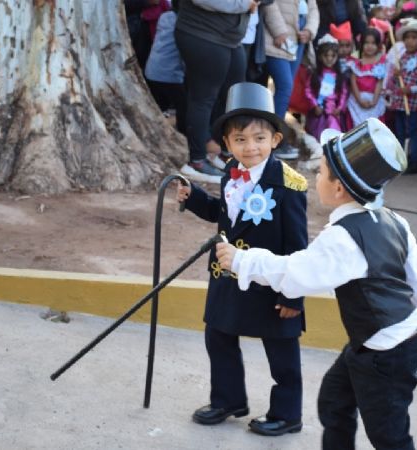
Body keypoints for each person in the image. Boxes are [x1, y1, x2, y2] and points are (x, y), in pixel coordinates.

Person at [214, 117, 417, 450]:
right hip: (383, 341)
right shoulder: (391, 220)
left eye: (320, 172)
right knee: (334, 402)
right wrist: (416, 319)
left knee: (389, 435)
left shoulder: (343, 239)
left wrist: (242, 260)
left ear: (338, 189)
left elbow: (296, 273)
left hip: (384, 351)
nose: (314, 177)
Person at [175, 82, 309, 436]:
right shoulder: (230, 174)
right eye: (240, 139)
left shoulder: (288, 185)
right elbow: (225, 216)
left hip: (271, 281)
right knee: (217, 337)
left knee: (280, 349)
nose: (251, 147)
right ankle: (227, 399)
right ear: (227, 144)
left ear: (276, 140)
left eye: (260, 138)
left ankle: (287, 413)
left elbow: (297, 245)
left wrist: (292, 294)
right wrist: (194, 199)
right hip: (227, 274)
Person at [175, 0, 255, 183]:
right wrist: (244, 4)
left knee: (233, 96)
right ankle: (196, 161)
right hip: (203, 34)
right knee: (203, 98)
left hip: (231, 39)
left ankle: (221, 153)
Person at [262, 0, 319, 159]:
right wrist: (279, 30)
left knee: (286, 89)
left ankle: (274, 138)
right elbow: (269, 3)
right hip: (277, 38)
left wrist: (309, 30)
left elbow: (314, 9)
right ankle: (274, 142)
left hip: (299, 39)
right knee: (285, 87)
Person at [386, 18, 417, 174]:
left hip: (414, 104)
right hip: (400, 102)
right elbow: (397, 79)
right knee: (400, 131)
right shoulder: (403, 55)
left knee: (413, 132)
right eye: (407, 37)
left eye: (414, 38)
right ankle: (400, 160)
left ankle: (414, 162)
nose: (409, 41)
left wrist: (411, 90)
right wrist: (396, 74)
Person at [144, 0, 186, 135]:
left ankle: (155, 127)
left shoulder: (165, 17)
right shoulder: (184, 23)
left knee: (159, 105)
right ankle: (182, 134)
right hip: (170, 75)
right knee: (185, 107)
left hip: (151, 71)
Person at [304, 34, 349, 139]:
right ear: (320, 56)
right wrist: (315, 105)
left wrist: (339, 108)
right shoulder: (314, 74)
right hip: (318, 113)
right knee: (317, 136)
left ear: (337, 57)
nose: (329, 59)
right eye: (326, 55)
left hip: (334, 113)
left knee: (334, 135)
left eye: (333, 56)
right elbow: (308, 90)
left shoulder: (339, 75)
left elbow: (344, 92)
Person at [346, 27, 387, 125]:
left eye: (373, 43)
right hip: (356, 98)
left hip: (374, 98)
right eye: (366, 43)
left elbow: (379, 82)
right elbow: (353, 81)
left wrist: (374, 101)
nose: (370, 46)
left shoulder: (380, 59)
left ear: (378, 45)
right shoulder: (356, 57)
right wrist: (359, 100)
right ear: (361, 43)